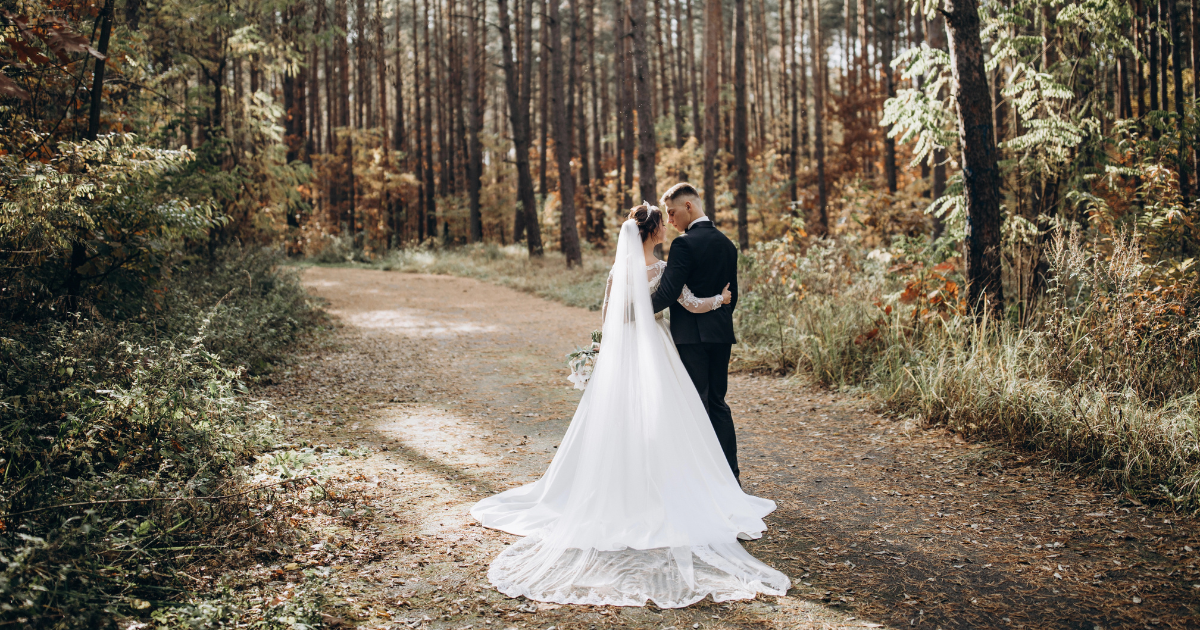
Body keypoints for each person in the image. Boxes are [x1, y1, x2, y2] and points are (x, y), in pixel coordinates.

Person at [470, 204, 789, 608]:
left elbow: (607, 313)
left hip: (623, 350)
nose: (666, 229)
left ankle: (624, 482)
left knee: (618, 419)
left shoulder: (618, 270)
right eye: (662, 224)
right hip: (655, 346)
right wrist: (721, 299)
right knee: (665, 418)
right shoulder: (662, 266)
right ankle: (661, 485)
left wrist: (603, 347)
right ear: (654, 231)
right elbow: (687, 302)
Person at [651, 182, 742, 481]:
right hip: (720, 335)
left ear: (688, 207)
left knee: (694, 403)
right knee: (717, 402)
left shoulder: (684, 244)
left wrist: (630, 311)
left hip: (691, 337)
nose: (670, 221)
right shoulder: (728, 244)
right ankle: (730, 476)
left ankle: (702, 479)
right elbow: (733, 297)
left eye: (673, 213)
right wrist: (717, 313)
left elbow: (667, 293)